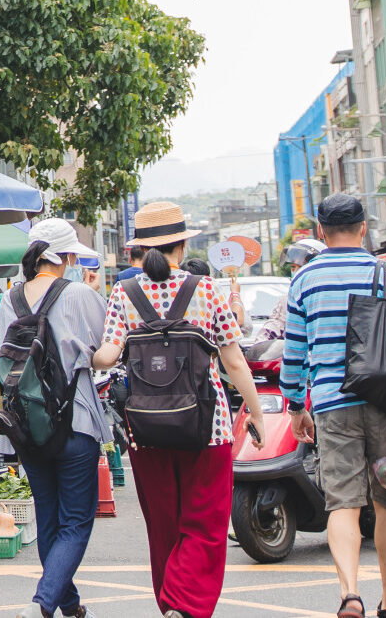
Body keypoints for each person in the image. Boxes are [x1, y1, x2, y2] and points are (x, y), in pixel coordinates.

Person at [92, 201, 266, 618]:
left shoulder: (124, 292)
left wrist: (86, 352)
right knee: (206, 524)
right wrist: (256, 413)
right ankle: (184, 604)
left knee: (164, 525)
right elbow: (233, 360)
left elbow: (107, 355)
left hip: (146, 427)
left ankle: (171, 602)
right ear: (182, 245)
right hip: (207, 426)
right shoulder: (205, 289)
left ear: (139, 249)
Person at [281, 194, 386, 618]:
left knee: (343, 504)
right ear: (363, 228)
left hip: (332, 404)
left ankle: (350, 594)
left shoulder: (304, 280)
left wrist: (296, 405)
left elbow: (294, 352)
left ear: (320, 231)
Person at [0, 218, 108, 618]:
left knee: (49, 518)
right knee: (75, 522)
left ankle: (71, 606)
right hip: (74, 419)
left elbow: (2, 362)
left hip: (27, 424)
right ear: (63, 258)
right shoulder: (79, 293)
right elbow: (104, 352)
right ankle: (41, 605)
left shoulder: (9, 299)